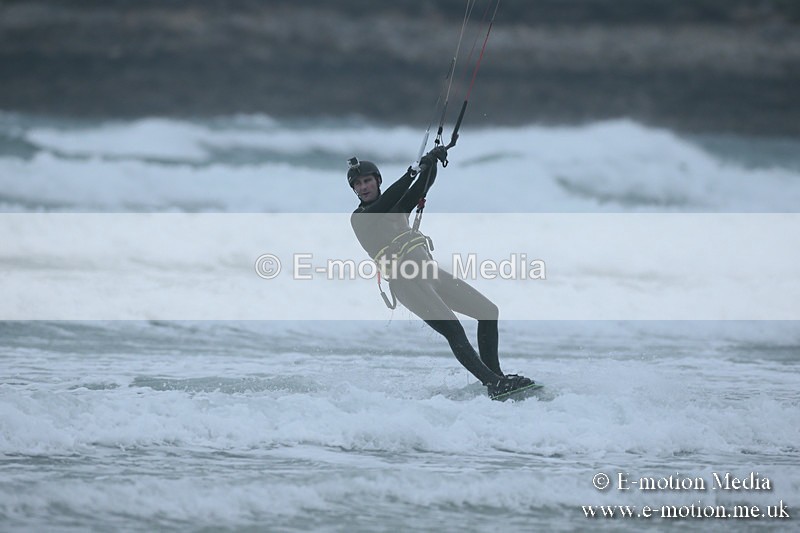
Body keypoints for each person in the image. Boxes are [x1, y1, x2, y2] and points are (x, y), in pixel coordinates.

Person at [347, 146, 535, 399]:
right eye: (357, 184)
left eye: (367, 180)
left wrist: (432, 161)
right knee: (454, 330)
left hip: (430, 274)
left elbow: (422, 186)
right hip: (406, 283)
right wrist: (412, 172)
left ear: (377, 180)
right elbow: (389, 199)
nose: (363, 187)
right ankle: (492, 383)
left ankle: (497, 378)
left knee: (488, 312)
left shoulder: (399, 206)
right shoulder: (360, 218)